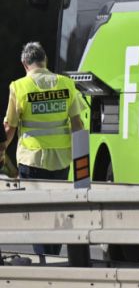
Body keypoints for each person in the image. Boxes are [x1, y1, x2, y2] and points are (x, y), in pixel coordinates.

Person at [1, 42, 85, 260]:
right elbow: (78, 125)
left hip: (32, 160)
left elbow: (9, 128)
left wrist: (2, 151)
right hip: (62, 160)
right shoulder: (67, 84)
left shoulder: (19, 87)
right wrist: (81, 161)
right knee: (58, 211)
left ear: (24, 64)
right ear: (45, 61)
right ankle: (53, 257)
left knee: (38, 213)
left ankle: (44, 262)